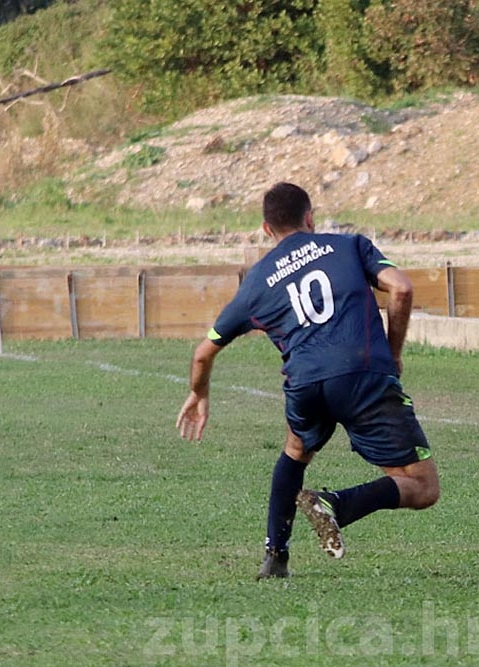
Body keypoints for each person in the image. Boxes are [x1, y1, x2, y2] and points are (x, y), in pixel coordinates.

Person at [176, 182, 439, 579]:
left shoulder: (256, 282)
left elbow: (203, 351)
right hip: (362, 375)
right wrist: (393, 351)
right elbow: (401, 288)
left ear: (267, 230)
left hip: (305, 386)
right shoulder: (349, 246)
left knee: (296, 451)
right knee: (421, 487)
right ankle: (335, 504)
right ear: (310, 217)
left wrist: (199, 392)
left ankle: (274, 557)